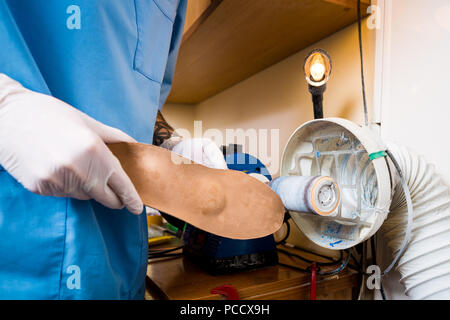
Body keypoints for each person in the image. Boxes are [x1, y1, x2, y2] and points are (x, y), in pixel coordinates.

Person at [0, 0, 226, 299]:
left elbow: (142, 102)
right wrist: (7, 107)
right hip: (18, 262)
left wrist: (170, 143)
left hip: (121, 267)